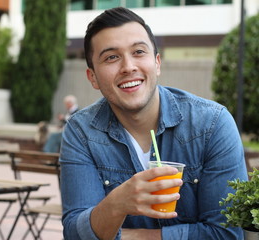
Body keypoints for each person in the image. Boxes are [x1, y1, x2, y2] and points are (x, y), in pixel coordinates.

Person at [59, 7, 248, 240]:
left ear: (157, 63)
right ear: (93, 77)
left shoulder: (212, 124)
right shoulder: (82, 132)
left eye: (139, 51)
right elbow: (75, 234)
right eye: (111, 57)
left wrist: (133, 236)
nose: (128, 67)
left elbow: (227, 234)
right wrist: (117, 204)